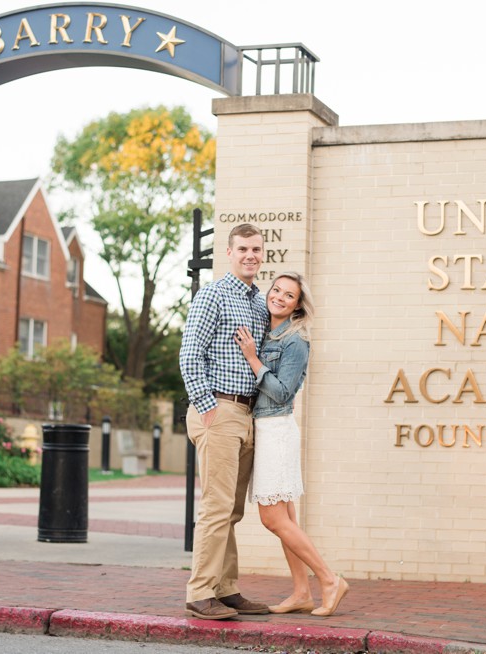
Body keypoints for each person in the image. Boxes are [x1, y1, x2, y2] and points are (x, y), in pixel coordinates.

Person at [234, 271, 350, 617]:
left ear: (298, 305)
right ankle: (301, 592)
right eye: (277, 291)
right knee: (286, 516)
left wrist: (254, 359)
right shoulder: (268, 332)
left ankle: (329, 580)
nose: (280, 298)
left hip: (276, 431)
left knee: (273, 518)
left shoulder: (295, 340)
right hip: (265, 426)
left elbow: (283, 391)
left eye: (289, 296)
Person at [178, 223, 270, 620]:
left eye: (256, 249)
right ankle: (200, 592)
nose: (250, 255)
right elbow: (189, 354)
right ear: (228, 253)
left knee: (232, 510)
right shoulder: (212, 295)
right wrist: (207, 407)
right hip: (218, 410)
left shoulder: (258, 304)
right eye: (243, 248)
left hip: (246, 413)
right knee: (216, 507)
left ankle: (226, 588)